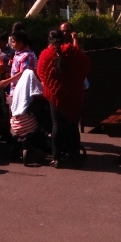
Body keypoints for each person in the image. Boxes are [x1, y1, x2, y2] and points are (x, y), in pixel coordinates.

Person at [37, 29, 92, 168]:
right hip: (73, 93)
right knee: (73, 126)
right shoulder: (72, 51)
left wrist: (52, 84)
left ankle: (56, 158)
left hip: (55, 95)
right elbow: (86, 64)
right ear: (64, 38)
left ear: (49, 40)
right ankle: (74, 157)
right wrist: (75, 80)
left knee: (57, 125)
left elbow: (41, 73)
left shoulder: (45, 54)